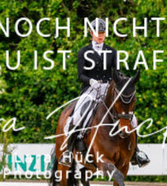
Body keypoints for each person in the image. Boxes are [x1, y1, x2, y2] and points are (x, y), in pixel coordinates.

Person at [59, 18, 150, 168]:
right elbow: (80, 75)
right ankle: (68, 152)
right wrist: (91, 81)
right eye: (97, 32)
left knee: (131, 118)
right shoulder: (84, 52)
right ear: (91, 33)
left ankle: (136, 153)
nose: (100, 35)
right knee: (76, 116)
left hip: (109, 89)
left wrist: (123, 81)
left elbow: (116, 72)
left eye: (102, 32)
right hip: (90, 89)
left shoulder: (112, 52)